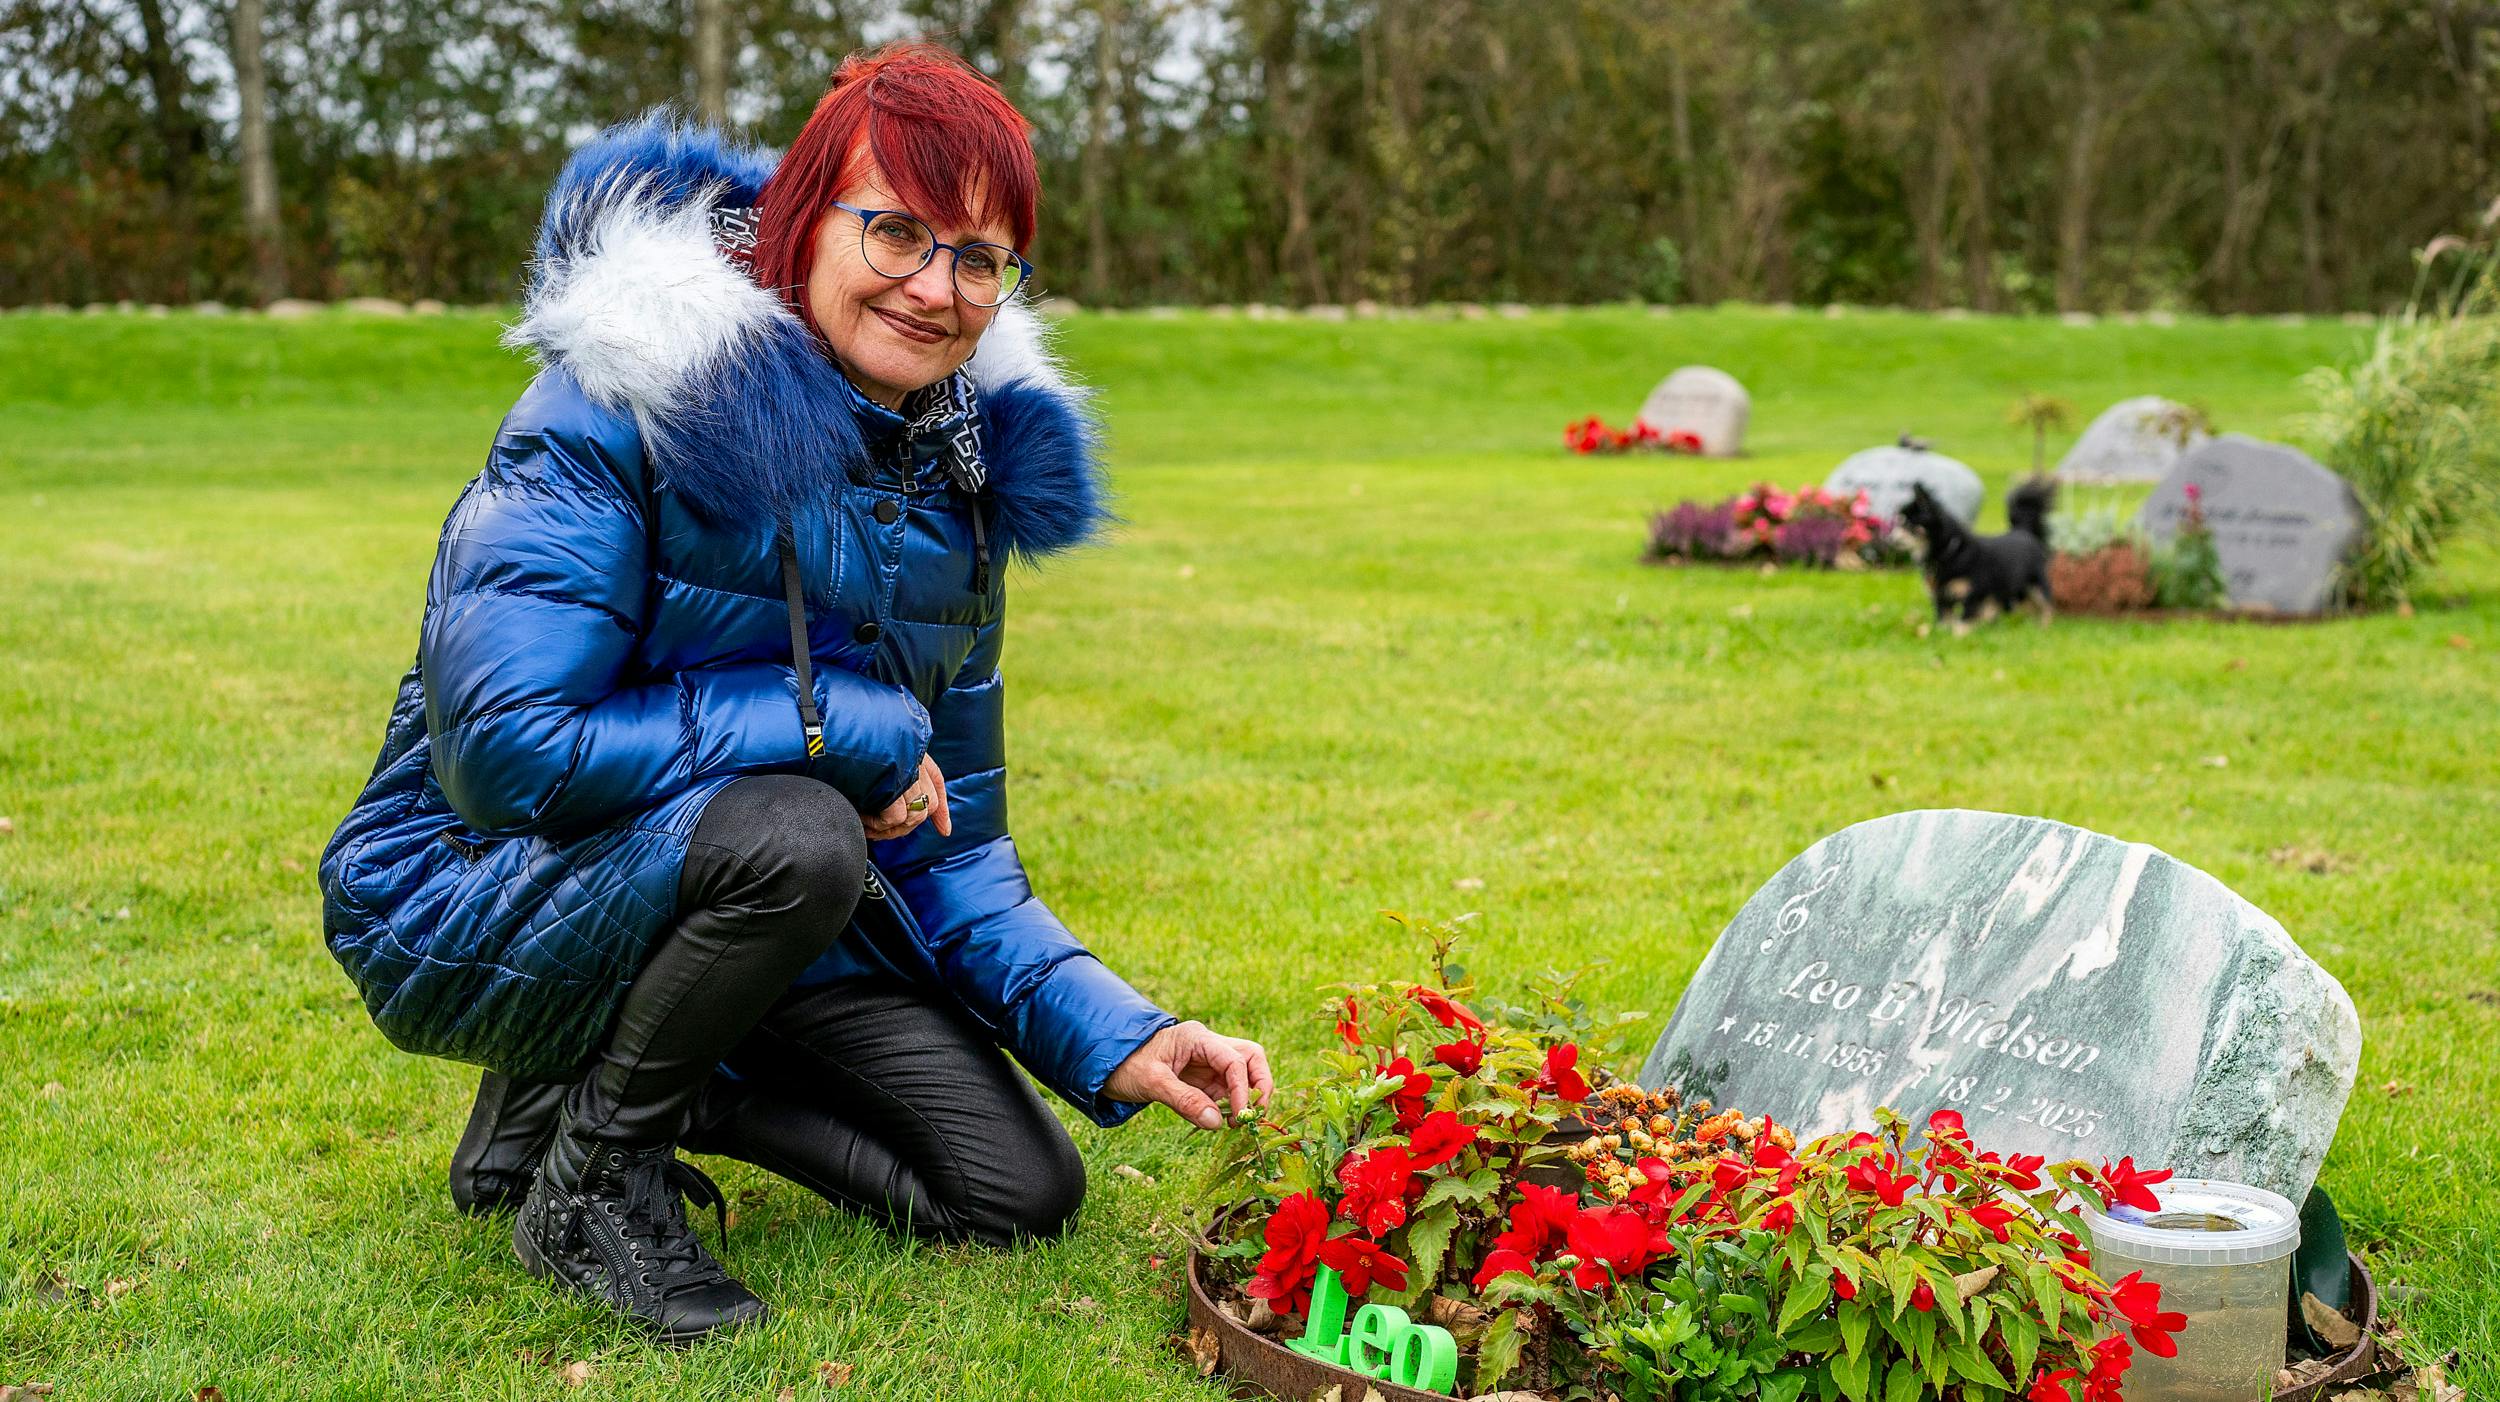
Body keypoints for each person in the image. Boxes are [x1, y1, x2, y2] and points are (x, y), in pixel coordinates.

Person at [316, 44, 1271, 1344]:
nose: (935, 288)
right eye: (897, 231)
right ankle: (590, 1188)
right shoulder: (620, 395)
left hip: (744, 906)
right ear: (803, 216)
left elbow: (954, 844)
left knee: (1014, 1189)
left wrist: (1120, 1033)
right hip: (468, 886)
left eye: (980, 257)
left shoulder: (959, 485)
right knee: (804, 833)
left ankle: (588, 1090)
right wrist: (838, 728)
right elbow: (503, 752)